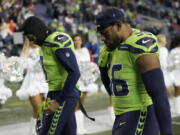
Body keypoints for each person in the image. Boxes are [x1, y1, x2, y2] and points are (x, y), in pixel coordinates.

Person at [96, 7, 172, 135]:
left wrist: (167, 132)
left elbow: (158, 94)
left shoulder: (140, 44)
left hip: (140, 113)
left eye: (105, 33)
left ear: (119, 25)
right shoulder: (108, 48)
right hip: (122, 115)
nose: (102, 38)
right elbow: (105, 78)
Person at [22, 16, 80, 135]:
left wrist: (58, 101)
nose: (31, 41)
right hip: (55, 93)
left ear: (37, 31)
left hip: (64, 94)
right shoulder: (45, 45)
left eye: (31, 37)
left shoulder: (56, 41)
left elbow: (74, 73)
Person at [16, 38, 48, 135]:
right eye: (30, 40)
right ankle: (36, 132)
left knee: (41, 111)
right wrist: (25, 49)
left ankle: (35, 132)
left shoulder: (44, 49)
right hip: (31, 82)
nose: (33, 42)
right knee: (39, 109)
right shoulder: (26, 51)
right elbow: (20, 68)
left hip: (44, 81)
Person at [73, 34, 99, 135]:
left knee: (81, 104)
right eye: (75, 40)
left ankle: (81, 127)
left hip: (86, 80)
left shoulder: (85, 50)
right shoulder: (72, 52)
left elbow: (90, 63)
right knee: (77, 104)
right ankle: (77, 129)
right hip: (77, 80)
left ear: (82, 41)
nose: (77, 42)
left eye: (79, 40)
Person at [168, 36, 180, 116]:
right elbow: (176, 64)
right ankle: (176, 111)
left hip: (175, 73)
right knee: (177, 92)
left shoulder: (174, 51)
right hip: (175, 74)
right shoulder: (175, 51)